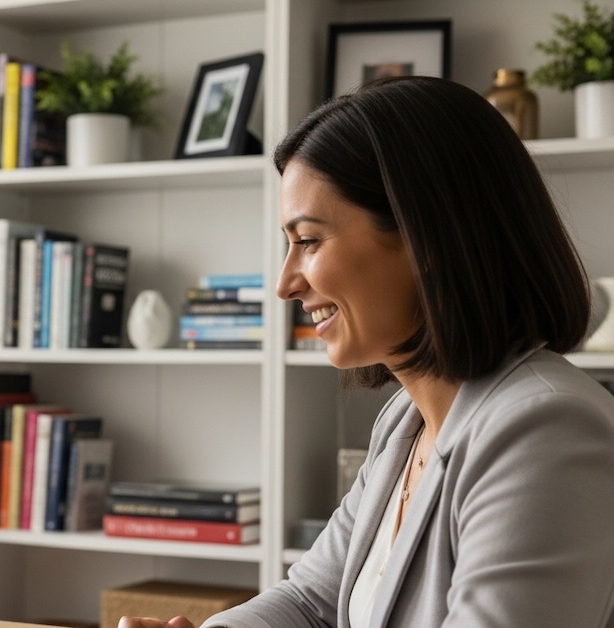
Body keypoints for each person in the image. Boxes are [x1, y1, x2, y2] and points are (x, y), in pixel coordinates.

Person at [120, 76, 614, 627]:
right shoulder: (406, 422)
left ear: (424, 236)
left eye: (307, 241)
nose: (285, 284)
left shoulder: (545, 430)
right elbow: (312, 602)